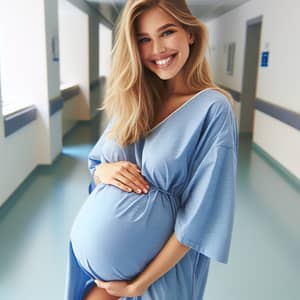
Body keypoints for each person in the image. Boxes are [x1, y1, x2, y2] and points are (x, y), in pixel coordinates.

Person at [64, 0, 238, 299]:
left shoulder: (213, 108)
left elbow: (199, 218)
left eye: (167, 32)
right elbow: (96, 167)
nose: (157, 48)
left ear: (190, 33)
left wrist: (138, 284)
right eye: (144, 39)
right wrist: (105, 170)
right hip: (95, 279)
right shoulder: (136, 99)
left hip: (157, 275)